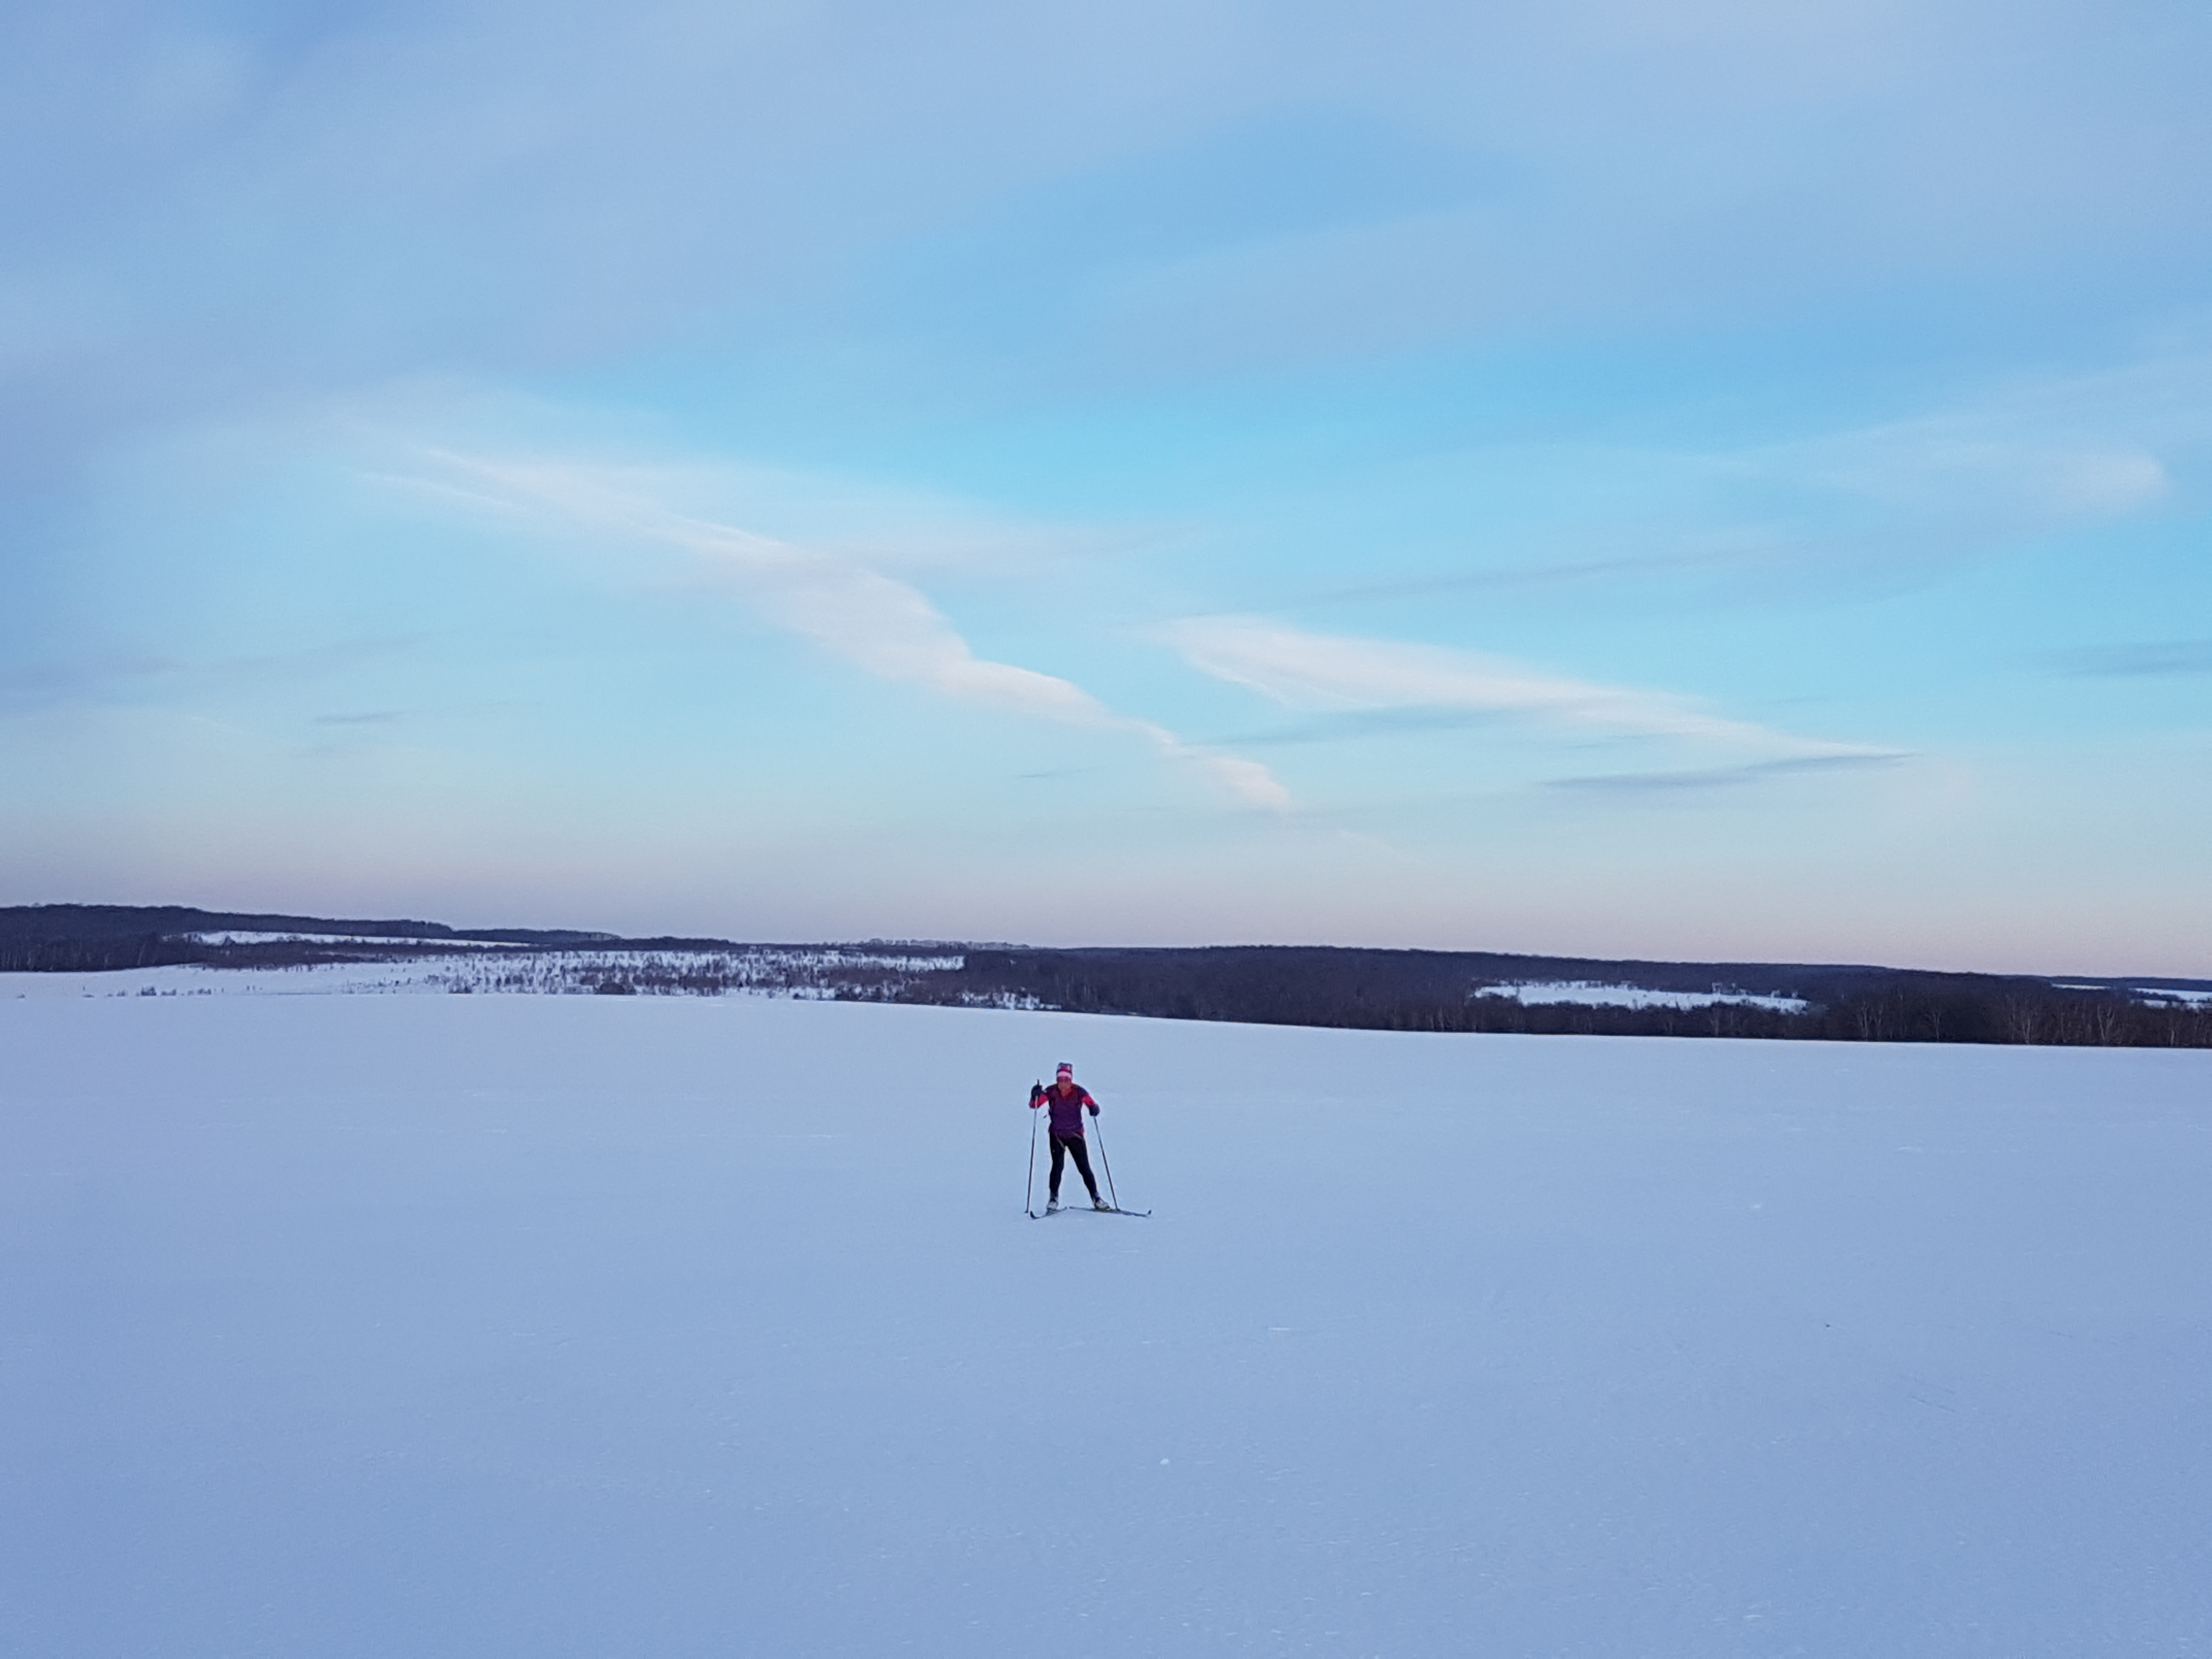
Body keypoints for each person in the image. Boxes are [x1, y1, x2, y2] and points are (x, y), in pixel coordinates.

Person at [1029, 1062, 1108, 1211]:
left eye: (1066, 1080)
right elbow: (1035, 1105)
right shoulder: (1051, 1091)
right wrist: (1035, 1095)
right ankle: (1053, 1199)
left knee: (1084, 1167)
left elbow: (1092, 1104)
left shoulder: (1079, 1092)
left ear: (1071, 1080)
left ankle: (1096, 1198)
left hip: (1075, 1135)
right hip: (1057, 1135)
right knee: (1057, 1167)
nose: (1063, 1083)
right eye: (1061, 1080)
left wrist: (1094, 1109)